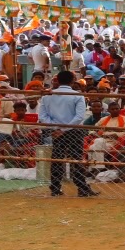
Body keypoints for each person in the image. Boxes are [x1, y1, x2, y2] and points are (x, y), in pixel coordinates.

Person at [35, 70, 96, 198]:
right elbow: (79, 117)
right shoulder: (77, 95)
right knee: (76, 159)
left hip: (56, 131)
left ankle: (55, 188)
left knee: (57, 159)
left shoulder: (47, 96)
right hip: (73, 130)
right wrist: (63, 128)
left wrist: (57, 128)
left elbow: (42, 116)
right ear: (72, 80)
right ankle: (82, 187)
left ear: (57, 80)